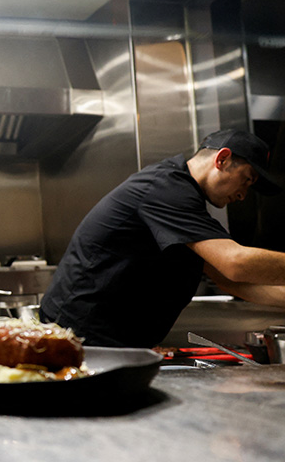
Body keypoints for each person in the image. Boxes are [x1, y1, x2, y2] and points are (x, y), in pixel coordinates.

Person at [40, 129, 285, 348]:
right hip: (82, 341)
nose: (243, 195)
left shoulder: (185, 200)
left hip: (112, 340)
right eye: (247, 179)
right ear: (222, 159)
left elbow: (228, 279)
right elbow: (236, 263)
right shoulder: (165, 188)